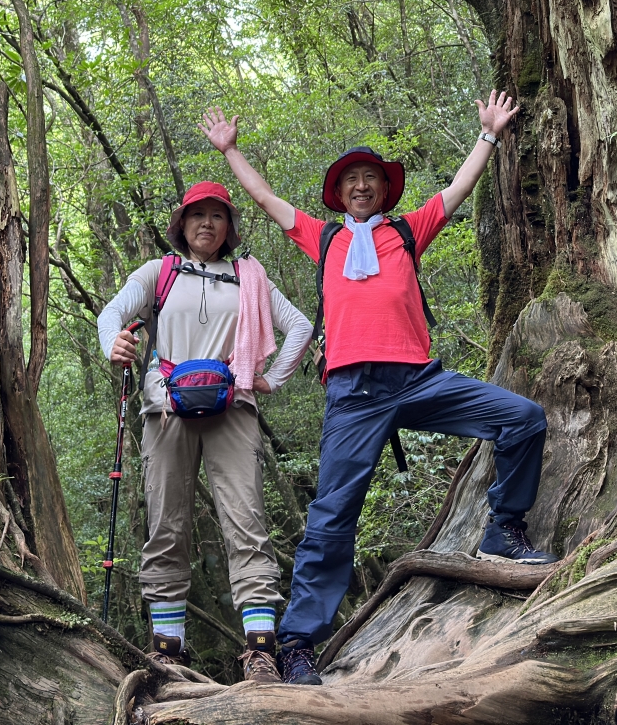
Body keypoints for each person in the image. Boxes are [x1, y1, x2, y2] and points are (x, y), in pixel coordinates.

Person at [202, 93, 552, 687]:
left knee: (522, 418)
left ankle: (503, 531)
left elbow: (457, 190)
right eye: (351, 181)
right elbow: (266, 200)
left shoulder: (407, 232)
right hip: (353, 393)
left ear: (384, 192)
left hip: (419, 379)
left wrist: (489, 135)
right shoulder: (325, 240)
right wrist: (230, 150)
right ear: (339, 196)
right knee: (332, 515)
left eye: (370, 179)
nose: (361, 186)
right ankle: (297, 645)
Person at [97, 180, 313, 683]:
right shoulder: (160, 271)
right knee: (166, 526)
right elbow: (113, 312)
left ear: (230, 227)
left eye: (218, 216)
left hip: (232, 407)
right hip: (166, 407)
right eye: (198, 215)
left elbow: (299, 326)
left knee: (247, 523)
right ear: (182, 223)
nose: (207, 224)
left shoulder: (248, 275)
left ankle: (260, 652)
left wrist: (270, 378)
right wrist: (116, 344)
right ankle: (168, 654)